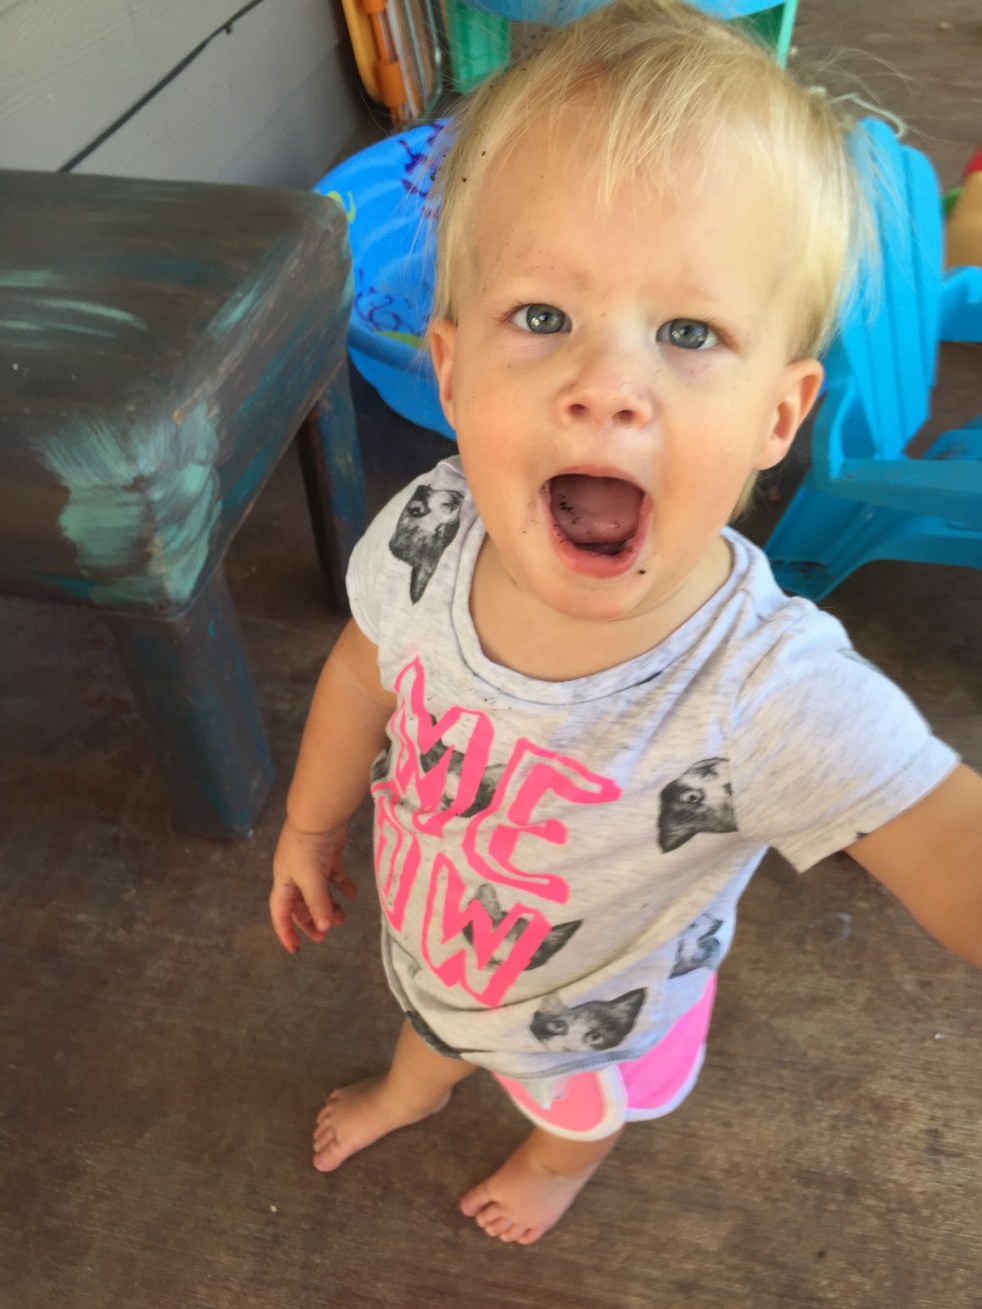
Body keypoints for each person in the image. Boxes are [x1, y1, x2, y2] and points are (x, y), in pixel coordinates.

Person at [269, 0, 982, 1246]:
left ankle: (557, 1169)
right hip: (441, 934)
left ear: (777, 415)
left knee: (576, 1107)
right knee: (433, 1025)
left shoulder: (764, 691)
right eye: (542, 316)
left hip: (593, 1020)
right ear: (450, 372)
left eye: (689, 332)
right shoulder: (432, 528)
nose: (605, 386)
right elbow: (364, 667)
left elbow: (948, 840)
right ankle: (412, 1087)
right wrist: (311, 822)